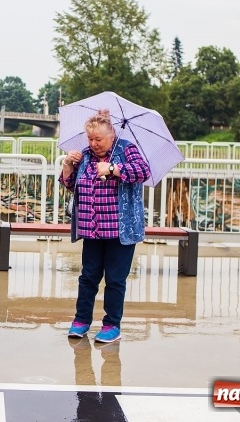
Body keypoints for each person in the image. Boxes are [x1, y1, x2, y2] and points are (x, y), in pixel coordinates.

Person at [60, 109, 151, 343]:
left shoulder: (126, 149)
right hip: (93, 228)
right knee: (88, 276)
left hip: (120, 229)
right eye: (90, 138)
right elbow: (72, 185)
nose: (93, 143)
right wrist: (68, 165)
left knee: (115, 279)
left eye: (98, 139)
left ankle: (112, 325)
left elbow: (144, 171)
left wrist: (113, 169)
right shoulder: (86, 155)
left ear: (111, 135)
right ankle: (81, 320)